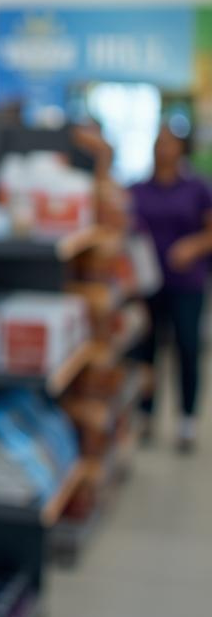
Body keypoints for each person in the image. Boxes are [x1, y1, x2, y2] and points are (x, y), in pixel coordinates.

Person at [128, 126, 212, 453]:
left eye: (169, 143)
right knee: (147, 349)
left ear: (181, 149)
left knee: (187, 348)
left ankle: (187, 420)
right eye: (158, 142)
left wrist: (191, 247)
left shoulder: (196, 189)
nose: (163, 149)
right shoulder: (138, 189)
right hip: (149, 284)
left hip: (186, 283)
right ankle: (146, 414)